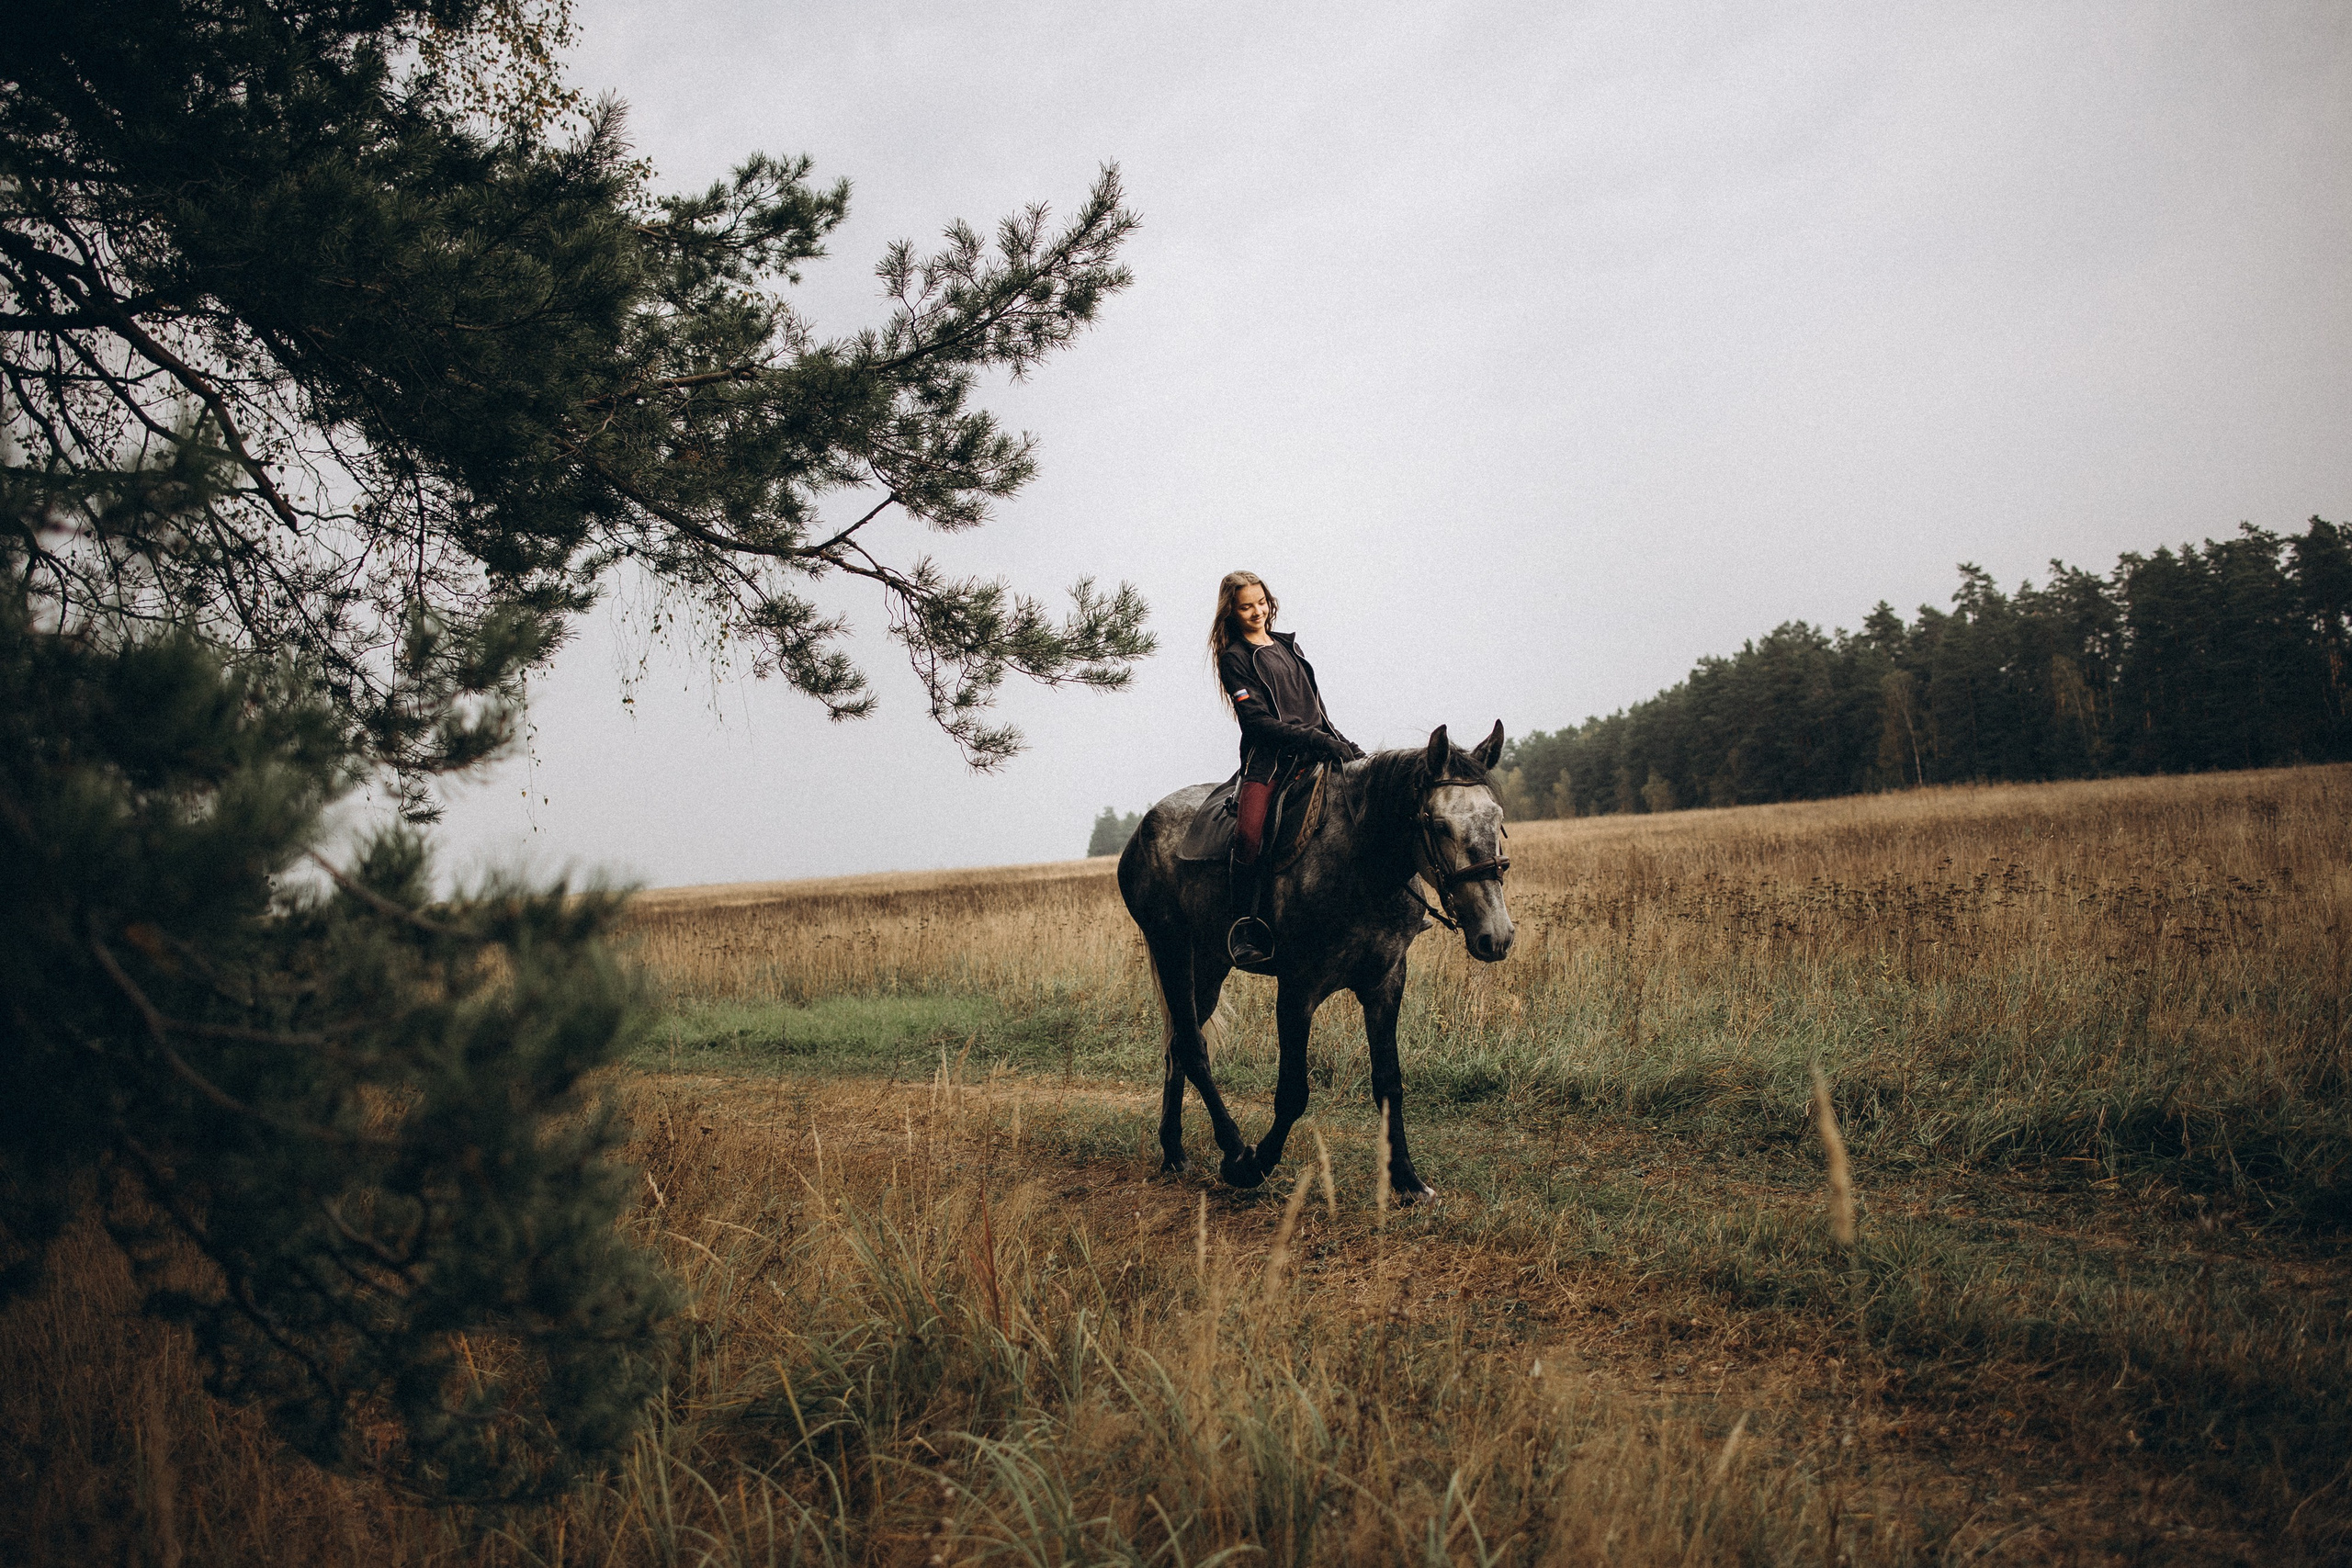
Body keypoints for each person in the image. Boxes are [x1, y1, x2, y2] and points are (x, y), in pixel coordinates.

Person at [1209, 570, 1364, 965]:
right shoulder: (1235, 658)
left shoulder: (1287, 647)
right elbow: (1258, 723)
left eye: (1261, 602)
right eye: (1246, 606)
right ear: (1232, 611)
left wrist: (1343, 743)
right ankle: (1244, 926)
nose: (1257, 611)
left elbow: (1315, 709)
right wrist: (1316, 740)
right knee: (1248, 836)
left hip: (1318, 752)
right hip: (1270, 762)